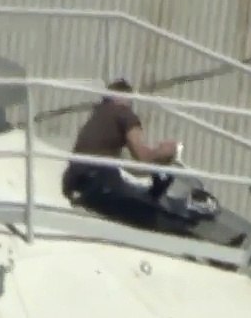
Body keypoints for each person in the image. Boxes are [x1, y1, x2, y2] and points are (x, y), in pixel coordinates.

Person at [61, 79, 180, 227]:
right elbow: (142, 156)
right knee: (148, 204)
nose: (130, 104)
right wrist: (164, 151)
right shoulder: (124, 114)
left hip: (72, 181)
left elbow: (129, 165)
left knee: (134, 188)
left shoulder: (98, 114)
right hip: (99, 180)